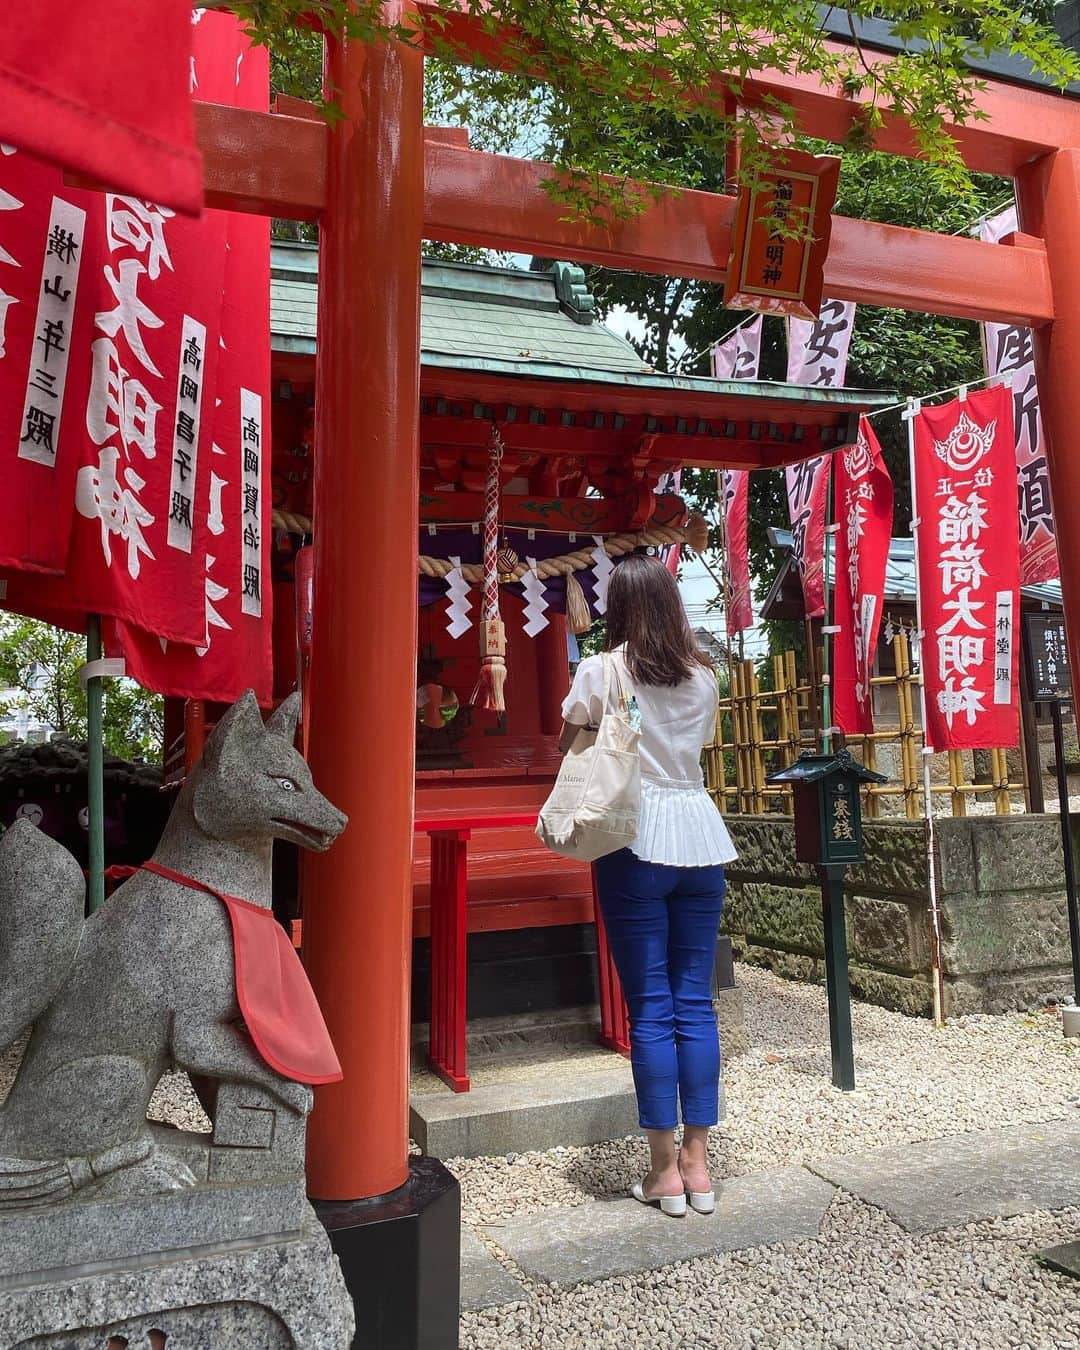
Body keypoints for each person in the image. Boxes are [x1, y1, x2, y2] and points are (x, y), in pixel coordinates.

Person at [559, 553, 736, 1217]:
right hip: (701, 835)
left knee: (650, 1008)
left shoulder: (603, 670)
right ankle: (699, 1163)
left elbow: (568, 747)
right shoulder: (705, 677)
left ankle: (663, 1172)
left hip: (634, 840)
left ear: (620, 610)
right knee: (695, 1002)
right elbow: (696, 751)